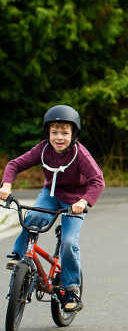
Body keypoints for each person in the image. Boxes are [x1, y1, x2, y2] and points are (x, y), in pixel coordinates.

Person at [0, 105, 105, 313]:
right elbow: (14, 165)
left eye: (64, 133)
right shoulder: (43, 150)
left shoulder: (80, 155)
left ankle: (71, 289)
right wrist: (6, 185)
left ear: (73, 134)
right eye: (54, 132)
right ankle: (20, 256)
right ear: (47, 133)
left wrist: (83, 202)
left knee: (68, 242)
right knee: (31, 219)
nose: (59, 137)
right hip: (51, 194)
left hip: (74, 200)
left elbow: (97, 181)